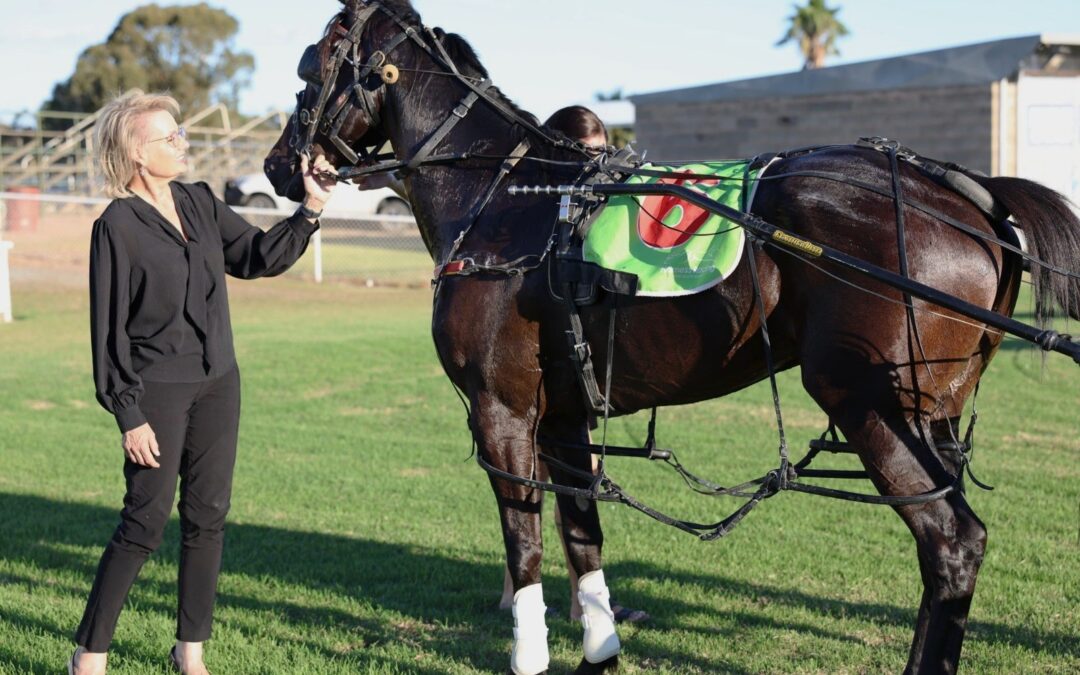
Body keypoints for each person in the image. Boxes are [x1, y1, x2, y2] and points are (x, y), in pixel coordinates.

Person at [69, 90, 337, 675]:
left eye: (181, 132)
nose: (182, 142)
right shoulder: (116, 226)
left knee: (207, 517)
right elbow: (107, 331)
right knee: (143, 523)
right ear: (137, 153)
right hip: (156, 390)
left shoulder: (199, 201)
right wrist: (129, 414)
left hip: (219, 381)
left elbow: (258, 256)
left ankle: (190, 652)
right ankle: (89, 653)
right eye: (169, 137)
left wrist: (311, 207)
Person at [495, 105, 649, 624]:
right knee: (541, 478)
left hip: (572, 366)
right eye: (586, 155)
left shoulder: (585, 212)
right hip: (540, 372)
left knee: (557, 478)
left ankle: (565, 600)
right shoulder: (539, 213)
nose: (595, 166)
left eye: (601, 154)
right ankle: (563, 602)